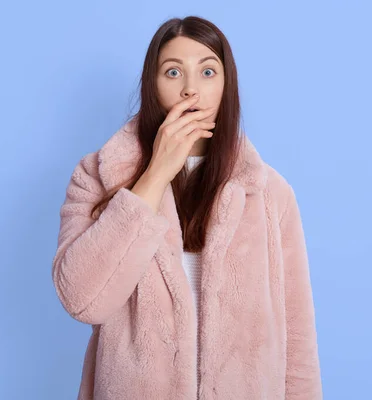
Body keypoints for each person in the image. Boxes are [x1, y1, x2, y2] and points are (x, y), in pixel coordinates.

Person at [52, 15, 322, 400]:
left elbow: (297, 341)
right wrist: (155, 174)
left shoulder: (269, 193)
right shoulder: (96, 177)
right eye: (173, 72)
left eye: (208, 71)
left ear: (227, 85)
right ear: (152, 85)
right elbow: (81, 300)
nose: (190, 90)